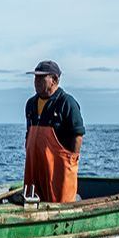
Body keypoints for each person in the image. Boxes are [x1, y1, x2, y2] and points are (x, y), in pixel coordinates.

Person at [23, 60, 85, 203]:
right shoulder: (30, 104)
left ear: (54, 80)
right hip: (34, 165)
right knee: (32, 199)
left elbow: (78, 135)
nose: (36, 81)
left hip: (59, 169)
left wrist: (70, 160)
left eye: (41, 77)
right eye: (35, 77)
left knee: (61, 200)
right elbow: (29, 132)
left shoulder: (67, 103)